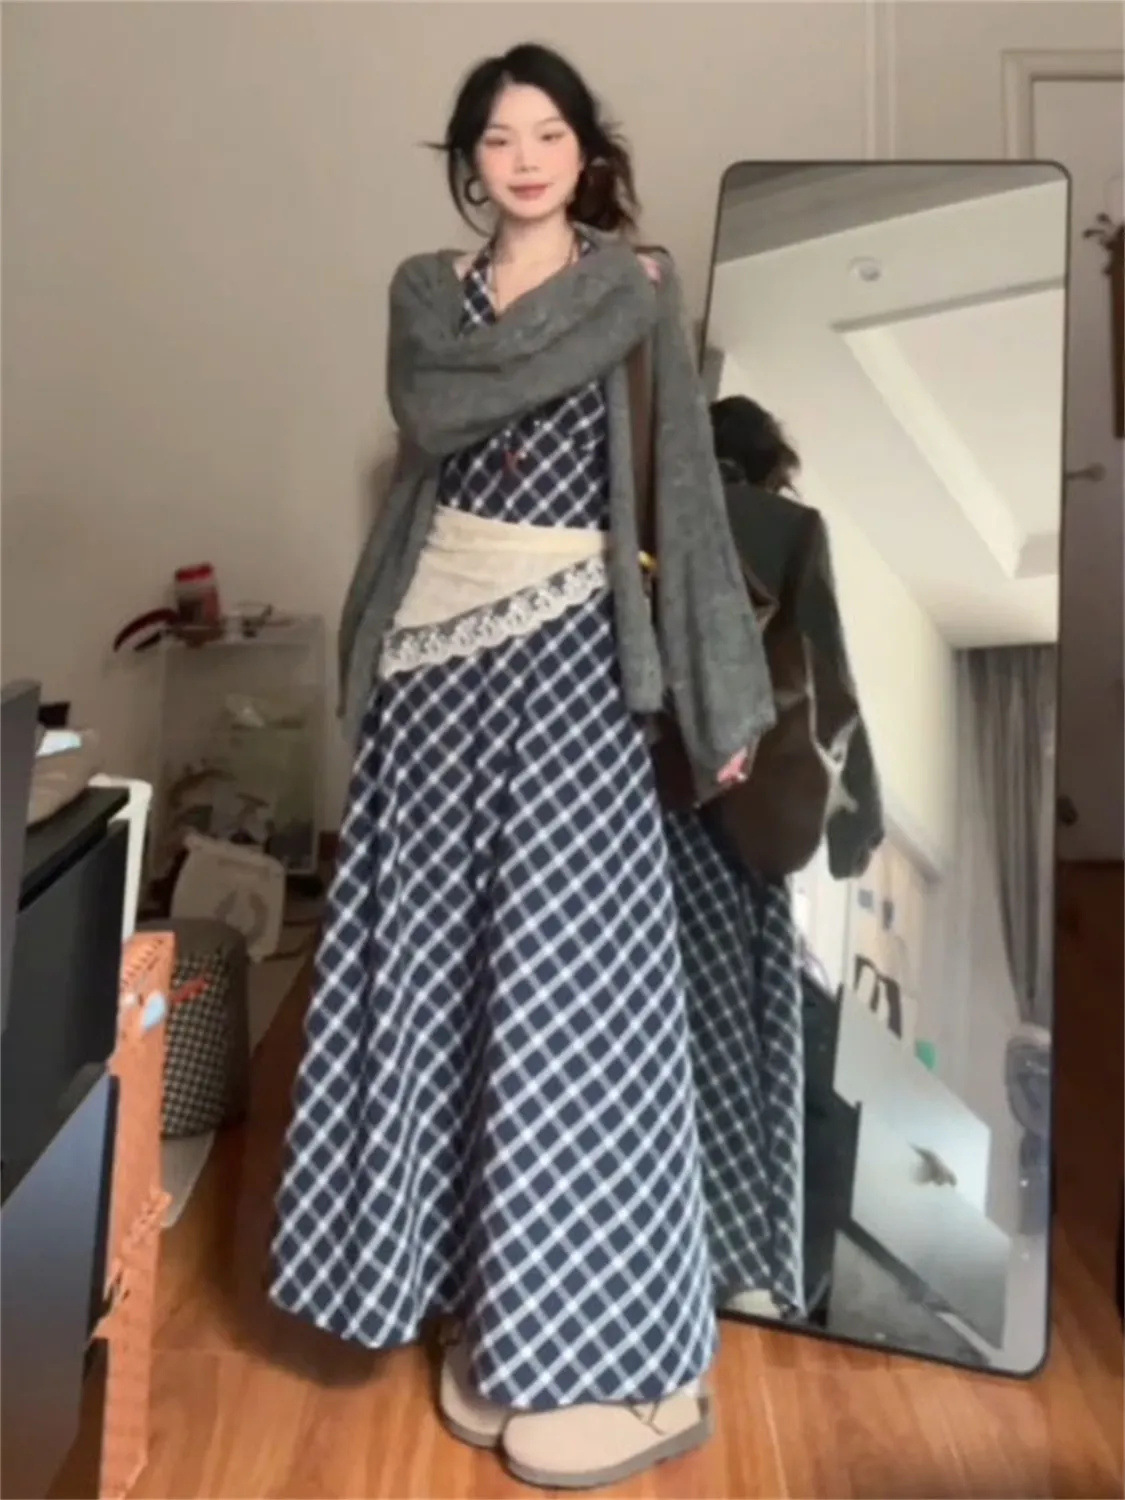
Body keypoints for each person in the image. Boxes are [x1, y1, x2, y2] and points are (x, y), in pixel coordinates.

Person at [269, 44, 774, 1490]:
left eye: (550, 134)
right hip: (431, 675)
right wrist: (617, 300)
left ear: (585, 151)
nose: (527, 159)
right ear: (469, 161)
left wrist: (719, 698)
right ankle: (481, 1308)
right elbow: (433, 417)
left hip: (574, 671)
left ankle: (614, 1352)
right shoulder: (428, 294)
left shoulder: (638, 291)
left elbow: (684, 494)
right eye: (500, 139)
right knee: (441, 987)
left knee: (575, 1003)